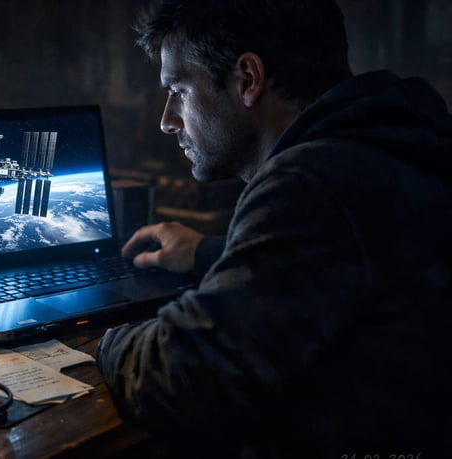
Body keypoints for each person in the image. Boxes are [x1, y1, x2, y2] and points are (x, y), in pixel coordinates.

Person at [95, 0, 452, 457]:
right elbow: (341, 265)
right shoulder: (392, 141)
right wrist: (211, 252)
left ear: (248, 79)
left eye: (178, 90)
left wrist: (106, 344)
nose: (168, 120)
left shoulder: (310, 182)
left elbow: (179, 376)